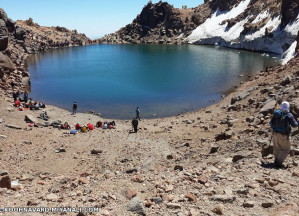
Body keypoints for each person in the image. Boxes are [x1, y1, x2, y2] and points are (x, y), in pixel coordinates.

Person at [270, 101, 298, 168]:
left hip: (275, 134)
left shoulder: (276, 113)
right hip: (284, 135)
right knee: (286, 149)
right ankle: (278, 163)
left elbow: (270, 123)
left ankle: (276, 161)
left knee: (277, 148)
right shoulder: (289, 115)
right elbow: (294, 125)